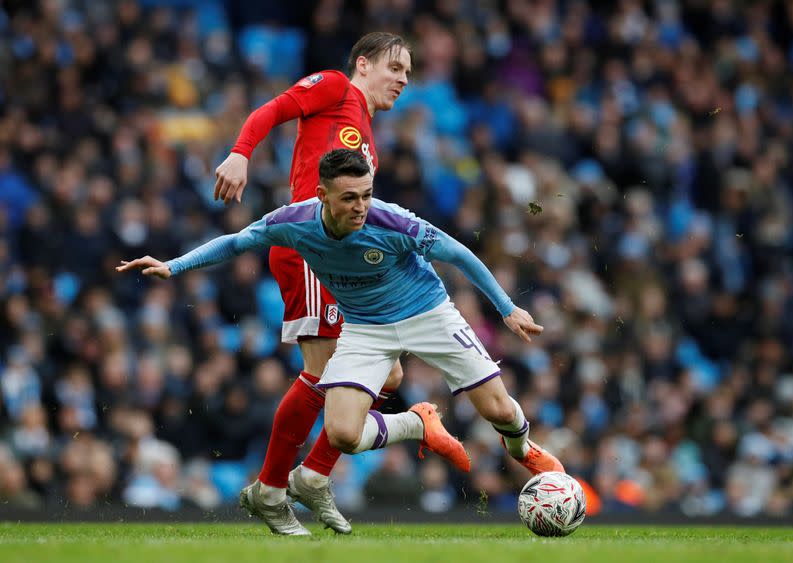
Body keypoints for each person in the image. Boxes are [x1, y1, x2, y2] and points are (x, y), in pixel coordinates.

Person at [117, 149, 566, 528]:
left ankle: (522, 447)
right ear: (322, 196)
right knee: (344, 434)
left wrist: (507, 309)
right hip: (365, 329)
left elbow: (460, 254)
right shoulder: (294, 222)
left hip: (428, 313)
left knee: (498, 410)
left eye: (367, 195)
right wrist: (174, 266)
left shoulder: (393, 222)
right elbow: (237, 242)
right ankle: (414, 423)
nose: (360, 207)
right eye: (349, 198)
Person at [212, 33, 412, 535]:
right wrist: (241, 153)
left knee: (388, 375)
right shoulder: (334, 87)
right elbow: (273, 110)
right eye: (396, 68)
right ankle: (272, 488)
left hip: (345, 257)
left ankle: (313, 474)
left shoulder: (364, 128)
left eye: (408, 72)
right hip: (310, 247)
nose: (404, 80)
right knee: (323, 372)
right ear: (363, 64)